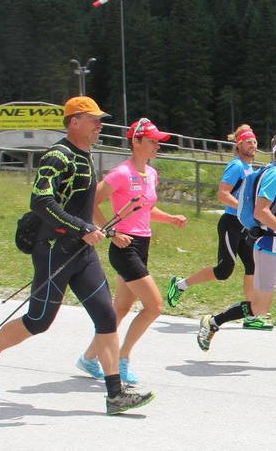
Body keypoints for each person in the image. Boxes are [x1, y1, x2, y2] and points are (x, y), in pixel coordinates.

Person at [0, 96, 154, 416]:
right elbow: (40, 201)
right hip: (54, 250)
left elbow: (79, 205)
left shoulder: (85, 154)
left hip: (82, 252)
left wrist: (95, 230)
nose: (99, 125)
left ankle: (115, 394)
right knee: (38, 321)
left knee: (106, 316)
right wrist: (82, 227)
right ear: (74, 122)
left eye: (100, 120)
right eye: (93, 120)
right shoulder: (58, 155)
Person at [196, 129, 276, 372]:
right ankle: (214, 321)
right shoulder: (274, 175)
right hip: (268, 247)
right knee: (260, 308)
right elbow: (260, 212)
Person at [76, 118, 186, 384]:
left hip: (142, 244)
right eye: (152, 141)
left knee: (122, 308)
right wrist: (111, 232)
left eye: (158, 142)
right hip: (124, 247)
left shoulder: (151, 173)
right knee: (154, 306)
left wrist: (170, 218)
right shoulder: (121, 173)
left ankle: (89, 358)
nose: (157, 146)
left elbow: (146, 209)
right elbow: (90, 203)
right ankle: (122, 359)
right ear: (136, 142)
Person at [165, 124, 273, 330]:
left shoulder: (250, 168)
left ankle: (250, 316)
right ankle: (180, 284)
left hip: (245, 225)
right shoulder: (236, 166)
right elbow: (222, 194)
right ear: (238, 145)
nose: (252, 145)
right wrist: (244, 209)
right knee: (224, 271)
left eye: (254, 142)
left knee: (253, 267)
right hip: (231, 223)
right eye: (248, 142)